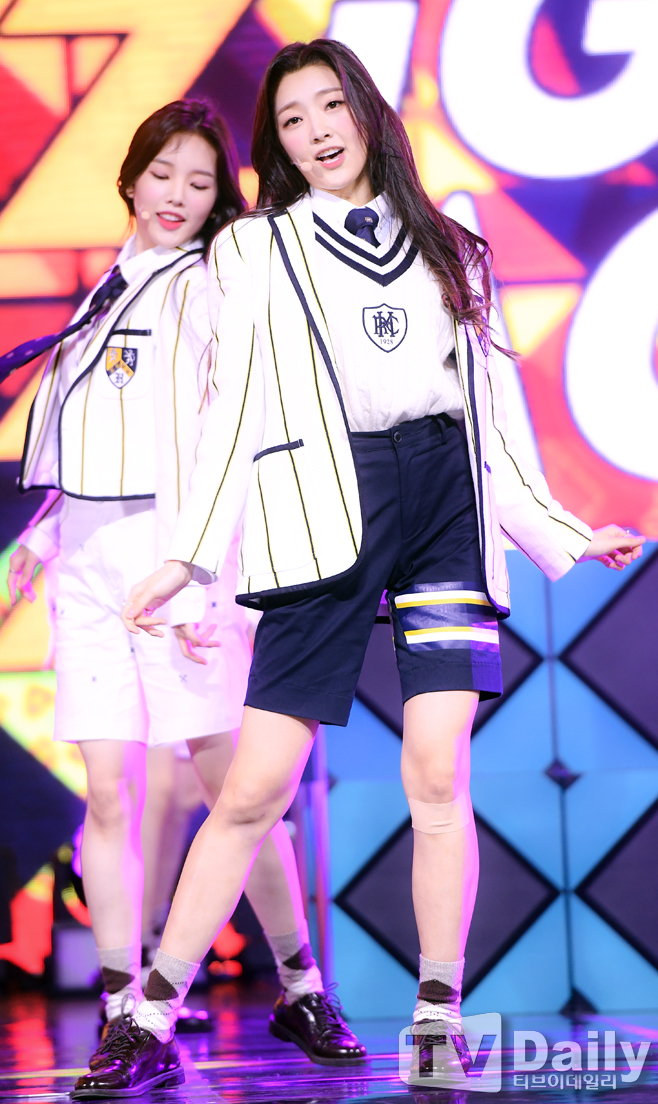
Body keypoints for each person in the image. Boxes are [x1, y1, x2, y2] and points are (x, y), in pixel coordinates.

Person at [102, 40, 642, 1095]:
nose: (315, 131)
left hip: (444, 504)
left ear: (367, 111)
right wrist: (187, 557)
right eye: (291, 119)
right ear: (278, 143)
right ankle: (148, 1012)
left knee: (438, 774)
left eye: (330, 106)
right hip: (323, 504)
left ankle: (438, 1016)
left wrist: (563, 530)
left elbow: (491, 418)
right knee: (254, 787)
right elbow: (233, 409)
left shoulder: (453, 243)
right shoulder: (254, 248)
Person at [7, 97, 364, 1091]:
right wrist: (44, 532)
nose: (177, 194)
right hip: (87, 561)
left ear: (219, 202)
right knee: (106, 796)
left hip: (177, 560)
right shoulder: (102, 287)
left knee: (234, 793)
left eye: (200, 182)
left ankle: (299, 985)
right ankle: (125, 1007)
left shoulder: (213, 285)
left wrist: (212, 580)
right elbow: (92, 431)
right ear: (130, 178)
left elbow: (230, 434)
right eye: (163, 173)